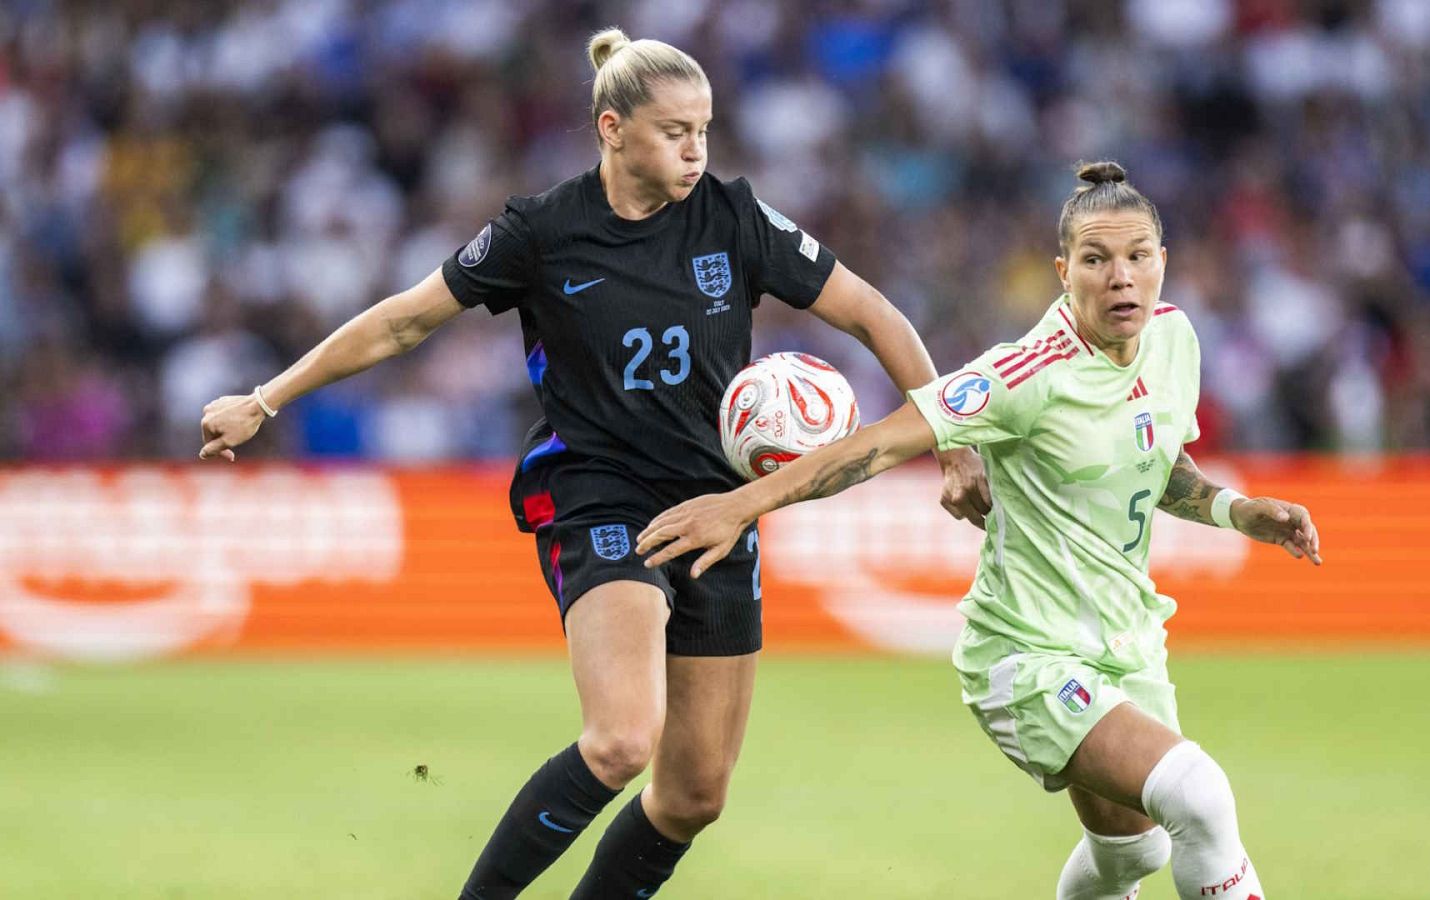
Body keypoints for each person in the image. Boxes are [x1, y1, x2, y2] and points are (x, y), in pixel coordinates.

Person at [197, 27, 987, 900]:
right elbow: (403, 320)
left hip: (723, 509)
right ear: (612, 129)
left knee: (694, 796)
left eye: (706, 129)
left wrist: (951, 439)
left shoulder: (735, 217)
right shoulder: (542, 230)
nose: (696, 150)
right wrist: (263, 399)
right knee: (620, 739)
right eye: (673, 131)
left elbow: (876, 315)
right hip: (599, 495)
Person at [637, 161, 1323, 900]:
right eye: (1096, 260)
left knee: (1135, 856)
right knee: (1201, 797)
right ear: (1063, 272)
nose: (1120, 277)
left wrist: (1232, 511)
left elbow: (1157, 462)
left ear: (1164, 262)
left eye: (1137, 257)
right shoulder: (1023, 376)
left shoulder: (1174, 340)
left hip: (1127, 643)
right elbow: (879, 444)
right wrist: (743, 505)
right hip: (1026, 659)